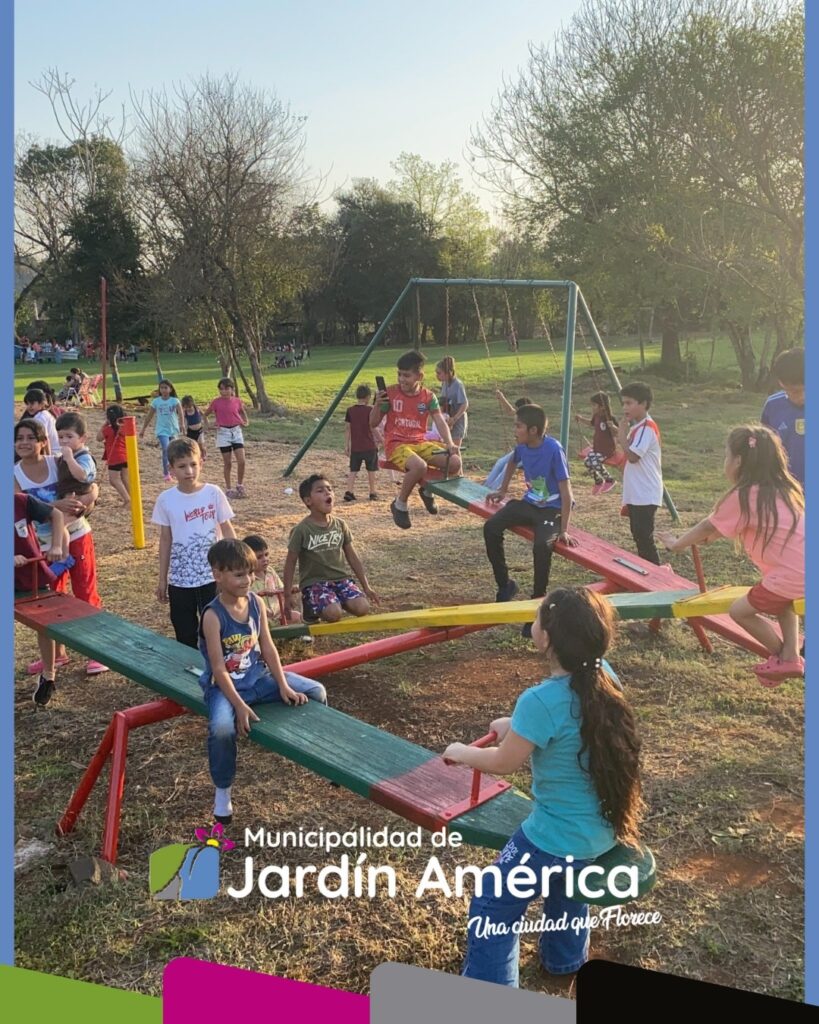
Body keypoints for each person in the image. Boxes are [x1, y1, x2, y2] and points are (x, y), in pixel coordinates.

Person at [444, 587, 643, 987]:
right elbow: (561, 727)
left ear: (546, 637)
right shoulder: (603, 675)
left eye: (537, 619)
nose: (533, 625)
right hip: (600, 832)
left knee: (493, 902)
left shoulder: (539, 700)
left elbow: (504, 762)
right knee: (567, 889)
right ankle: (566, 961)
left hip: (553, 838)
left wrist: (463, 752)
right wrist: (513, 727)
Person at [658, 425, 804, 685]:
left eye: (726, 456)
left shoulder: (744, 495)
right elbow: (717, 532)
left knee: (739, 612)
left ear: (738, 461)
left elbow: (707, 527)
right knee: (783, 603)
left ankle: (783, 658)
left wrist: (677, 544)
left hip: (790, 575)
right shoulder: (783, 490)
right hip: (800, 572)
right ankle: (790, 654)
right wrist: (705, 538)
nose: (725, 463)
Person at [199, 539, 327, 823]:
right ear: (217, 575)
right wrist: (240, 706)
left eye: (250, 572)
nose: (248, 580)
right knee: (221, 729)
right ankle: (223, 791)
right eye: (239, 574)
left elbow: (267, 647)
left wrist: (283, 684)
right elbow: (219, 670)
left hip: (258, 679)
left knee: (316, 691)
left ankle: (325, 759)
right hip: (225, 688)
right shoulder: (212, 615)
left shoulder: (255, 603)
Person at [13, 417, 106, 675]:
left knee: (84, 590)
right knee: (49, 599)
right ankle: (56, 655)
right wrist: (56, 506)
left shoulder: (58, 462)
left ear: (44, 441)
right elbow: (22, 509)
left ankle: (97, 652)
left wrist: (90, 497)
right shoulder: (14, 474)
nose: (25, 443)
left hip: (76, 534)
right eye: (19, 438)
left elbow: (91, 485)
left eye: (31, 437)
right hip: (40, 545)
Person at [484, 404, 577, 637]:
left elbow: (567, 494)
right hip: (529, 503)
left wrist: (564, 529)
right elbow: (512, 462)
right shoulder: (522, 447)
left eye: (519, 426)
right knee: (491, 527)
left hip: (551, 510)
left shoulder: (554, 449)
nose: (515, 430)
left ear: (533, 430)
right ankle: (505, 585)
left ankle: (537, 607)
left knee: (541, 546)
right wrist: (503, 490)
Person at [150, 437, 237, 649]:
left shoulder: (213, 493)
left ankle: (220, 669)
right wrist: (163, 579)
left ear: (201, 463)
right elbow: (165, 539)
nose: (189, 471)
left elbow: (226, 528)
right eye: (181, 466)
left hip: (212, 575)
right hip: (180, 580)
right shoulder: (165, 499)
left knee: (217, 625)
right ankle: (188, 673)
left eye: (193, 464)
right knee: (185, 630)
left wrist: (237, 565)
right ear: (171, 468)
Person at [370, 349, 461, 529]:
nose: (402, 379)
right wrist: (377, 406)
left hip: (419, 442)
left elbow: (440, 422)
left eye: (407, 375)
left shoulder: (428, 397)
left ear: (419, 376)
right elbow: (373, 423)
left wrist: (450, 443)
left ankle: (427, 491)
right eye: (399, 375)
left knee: (455, 463)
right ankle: (400, 504)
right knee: (420, 466)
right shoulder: (390, 393)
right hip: (396, 444)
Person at [282, 474, 378, 623]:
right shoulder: (301, 530)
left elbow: (352, 557)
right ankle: (310, 605)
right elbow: (290, 562)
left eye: (330, 489)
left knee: (362, 608)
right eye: (320, 490)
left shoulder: (340, 525)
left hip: (341, 580)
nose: (328, 493)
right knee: (333, 614)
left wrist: (366, 586)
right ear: (308, 500)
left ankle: (334, 600)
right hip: (315, 583)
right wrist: (287, 594)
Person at [14, 490, 68, 705]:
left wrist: (56, 545)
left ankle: (48, 675)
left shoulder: (19, 501)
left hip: (31, 574)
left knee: (44, 624)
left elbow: (56, 515)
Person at [616, 382, 662, 565]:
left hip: (646, 492)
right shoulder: (638, 428)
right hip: (637, 493)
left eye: (629, 403)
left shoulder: (647, 428)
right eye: (623, 403)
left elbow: (633, 456)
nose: (625, 407)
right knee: (638, 535)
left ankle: (656, 576)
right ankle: (648, 574)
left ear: (643, 404)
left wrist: (621, 437)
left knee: (644, 537)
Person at [242, 533, 309, 638]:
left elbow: (280, 588)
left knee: (297, 616)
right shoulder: (248, 578)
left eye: (266, 554)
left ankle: (298, 638)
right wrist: (262, 593)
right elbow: (246, 597)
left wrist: (290, 590)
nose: (265, 559)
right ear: (247, 559)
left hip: (279, 615)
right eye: (259, 557)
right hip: (262, 619)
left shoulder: (270, 571)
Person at [760, 348, 804, 488]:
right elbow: (764, 449)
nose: (803, 397)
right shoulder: (773, 407)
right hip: (785, 490)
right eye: (795, 391)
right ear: (781, 383)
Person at [204, 378, 249, 498]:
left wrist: (245, 421)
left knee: (242, 460)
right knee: (227, 462)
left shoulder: (237, 401)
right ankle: (228, 488)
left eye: (227, 388)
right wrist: (209, 425)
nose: (224, 391)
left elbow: (242, 411)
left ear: (232, 389)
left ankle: (240, 485)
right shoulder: (216, 402)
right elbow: (205, 414)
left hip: (236, 431)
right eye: (221, 389)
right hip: (223, 432)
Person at [575, 391, 619, 494]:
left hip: (607, 450)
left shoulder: (610, 419)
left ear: (602, 407)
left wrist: (613, 427)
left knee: (594, 462)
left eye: (594, 405)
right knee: (587, 461)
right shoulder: (597, 416)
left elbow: (618, 432)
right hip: (597, 448)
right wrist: (580, 419)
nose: (592, 407)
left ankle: (609, 480)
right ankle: (598, 481)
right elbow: (591, 423)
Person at [484, 394, 531, 491]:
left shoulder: (531, 424)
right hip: (520, 451)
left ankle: (492, 489)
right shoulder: (522, 418)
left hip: (529, 454)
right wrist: (501, 397)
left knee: (507, 467)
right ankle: (486, 486)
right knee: (500, 462)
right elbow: (511, 411)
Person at [140, 379, 183, 481]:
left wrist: (182, 425)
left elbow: (181, 413)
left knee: (174, 451)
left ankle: (174, 470)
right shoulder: (156, 402)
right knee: (166, 449)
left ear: (170, 389)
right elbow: (149, 416)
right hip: (161, 429)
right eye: (161, 388)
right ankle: (166, 473)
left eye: (165, 388)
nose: (163, 390)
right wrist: (143, 429)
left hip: (173, 429)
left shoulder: (175, 401)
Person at [344, 384, 379, 502]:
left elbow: (347, 429)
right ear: (368, 397)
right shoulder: (371, 410)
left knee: (353, 470)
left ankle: (349, 491)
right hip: (369, 445)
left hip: (356, 447)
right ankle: (372, 492)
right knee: (371, 470)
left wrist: (347, 445)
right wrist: (381, 439)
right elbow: (373, 427)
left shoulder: (350, 410)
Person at [97, 403, 130, 506]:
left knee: (114, 480)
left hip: (114, 456)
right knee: (125, 477)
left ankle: (127, 499)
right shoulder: (125, 428)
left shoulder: (108, 429)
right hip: (126, 455)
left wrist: (104, 424)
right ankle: (131, 497)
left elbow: (98, 438)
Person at [435, 356, 469, 451]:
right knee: (447, 449)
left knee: (455, 450)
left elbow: (465, 404)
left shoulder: (458, 385)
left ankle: (458, 466)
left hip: (457, 420)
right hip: (448, 420)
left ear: (448, 373)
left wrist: (455, 418)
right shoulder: (444, 383)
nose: (436, 375)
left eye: (439, 373)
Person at [22, 388, 60, 456]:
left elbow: (45, 439)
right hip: (57, 450)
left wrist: (48, 458)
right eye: (27, 404)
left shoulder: (40, 418)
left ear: (42, 404)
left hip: (53, 452)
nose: (29, 407)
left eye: (32, 403)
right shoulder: (46, 413)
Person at [181, 395, 206, 461]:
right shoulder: (185, 413)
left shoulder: (197, 409)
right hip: (191, 431)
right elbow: (185, 422)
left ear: (192, 404)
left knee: (201, 445)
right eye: (186, 407)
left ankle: (203, 454)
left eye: (189, 407)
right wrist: (184, 431)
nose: (188, 409)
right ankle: (195, 456)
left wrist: (206, 424)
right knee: (192, 445)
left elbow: (204, 415)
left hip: (199, 430)